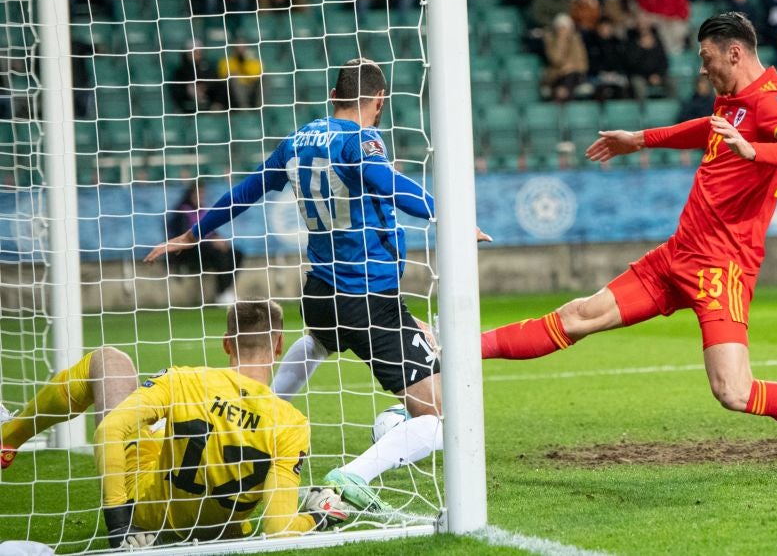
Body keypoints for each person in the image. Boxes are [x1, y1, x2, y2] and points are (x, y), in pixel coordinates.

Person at [479, 12, 777, 464]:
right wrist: (641, 139)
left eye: (706, 57)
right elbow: (707, 130)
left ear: (734, 53)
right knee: (579, 315)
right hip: (678, 255)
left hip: (722, 269)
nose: (701, 68)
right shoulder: (732, 99)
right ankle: (458, 345)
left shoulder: (775, 101)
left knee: (733, 391)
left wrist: (752, 150)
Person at [145, 59, 490, 514]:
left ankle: (250, 411)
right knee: (444, 416)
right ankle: (353, 477)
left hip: (320, 292)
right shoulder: (362, 139)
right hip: (367, 295)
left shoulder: (297, 140)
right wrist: (446, 215)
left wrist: (193, 233)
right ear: (379, 99)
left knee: (316, 343)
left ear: (333, 97)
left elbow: (247, 190)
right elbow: (388, 184)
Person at [0, 300, 347, 546]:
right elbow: (278, 530)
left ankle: (9, 435)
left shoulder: (184, 380)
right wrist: (316, 518)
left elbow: (109, 431)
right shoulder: (291, 423)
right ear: (278, 346)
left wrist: (120, 525)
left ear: (226, 344)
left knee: (110, 361)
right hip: (220, 532)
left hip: (147, 517)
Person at [167, 182, 244, 305]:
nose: (201, 196)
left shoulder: (203, 212)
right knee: (219, 254)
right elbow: (184, 237)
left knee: (236, 253)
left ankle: (225, 291)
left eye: (202, 193)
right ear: (191, 194)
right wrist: (210, 242)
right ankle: (222, 293)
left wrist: (219, 239)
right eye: (198, 193)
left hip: (207, 248)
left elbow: (212, 231)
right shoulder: (182, 212)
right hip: (190, 251)